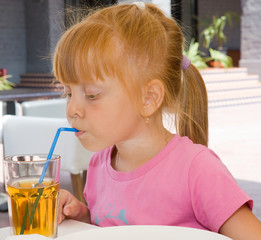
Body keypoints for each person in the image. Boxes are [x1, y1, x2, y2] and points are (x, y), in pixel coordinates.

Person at [53, 2, 261, 239]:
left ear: (148, 98)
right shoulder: (99, 165)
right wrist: (82, 217)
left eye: (91, 95)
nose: (72, 109)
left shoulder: (197, 170)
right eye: (67, 93)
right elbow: (111, 228)